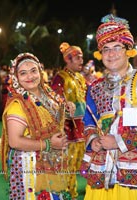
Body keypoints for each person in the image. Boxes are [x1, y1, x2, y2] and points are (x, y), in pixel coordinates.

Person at [80, 15, 137, 200]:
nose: (111, 54)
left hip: (136, 171)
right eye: (106, 49)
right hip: (101, 168)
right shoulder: (95, 87)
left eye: (117, 47)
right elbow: (88, 122)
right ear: (99, 54)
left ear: (129, 50)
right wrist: (93, 140)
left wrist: (119, 142)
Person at [0, 53, 75, 199]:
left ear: (40, 71)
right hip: (30, 166)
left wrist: (67, 108)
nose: (30, 76)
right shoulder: (18, 105)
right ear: (16, 77)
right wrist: (48, 144)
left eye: (33, 71)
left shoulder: (47, 93)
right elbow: (15, 142)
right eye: (23, 73)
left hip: (53, 163)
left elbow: (54, 117)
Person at [51, 42, 87, 199]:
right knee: (67, 166)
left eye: (81, 57)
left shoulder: (80, 78)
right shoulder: (60, 77)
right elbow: (53, 99)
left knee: (77, 165)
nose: (81, 61)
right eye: (78, 58)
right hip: (67, 130)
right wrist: (64, 104)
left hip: (81, 129)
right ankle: (68, 194)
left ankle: (70, 192)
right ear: (68, 59)